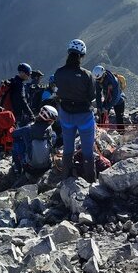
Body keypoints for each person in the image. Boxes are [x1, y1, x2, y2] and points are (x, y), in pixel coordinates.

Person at [54, 39, 97, 182]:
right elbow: (92, 96)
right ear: (82, 55)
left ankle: (65, 178)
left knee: (68, 148)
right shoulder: (87, 74)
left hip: (66, 115)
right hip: (84, 116)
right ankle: (90, 180)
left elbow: (58, 92)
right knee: (87, 150)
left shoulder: (59, 72)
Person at [12, 105, 59, 175]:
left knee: (16, 142)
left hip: (30, 168)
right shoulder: (50, 130)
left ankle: (18, 170)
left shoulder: (28, 129)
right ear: (50, 121)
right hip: (47, 166)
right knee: (53, 136)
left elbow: (13, 134)